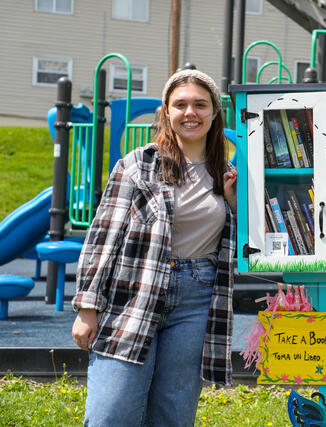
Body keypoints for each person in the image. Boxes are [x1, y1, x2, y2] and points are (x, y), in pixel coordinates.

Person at [71, 69, 237, 426]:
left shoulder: (230, 174)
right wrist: (87, 307)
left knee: (172, 414)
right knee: (110, 413)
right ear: (166, 111)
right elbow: (102, 238)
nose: (190, 112)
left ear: (214, 113)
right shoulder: (136, 166)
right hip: (133, 292)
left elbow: (250, 244)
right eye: (180, 104)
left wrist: (233, 203)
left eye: (200, 104)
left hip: (197, 296)